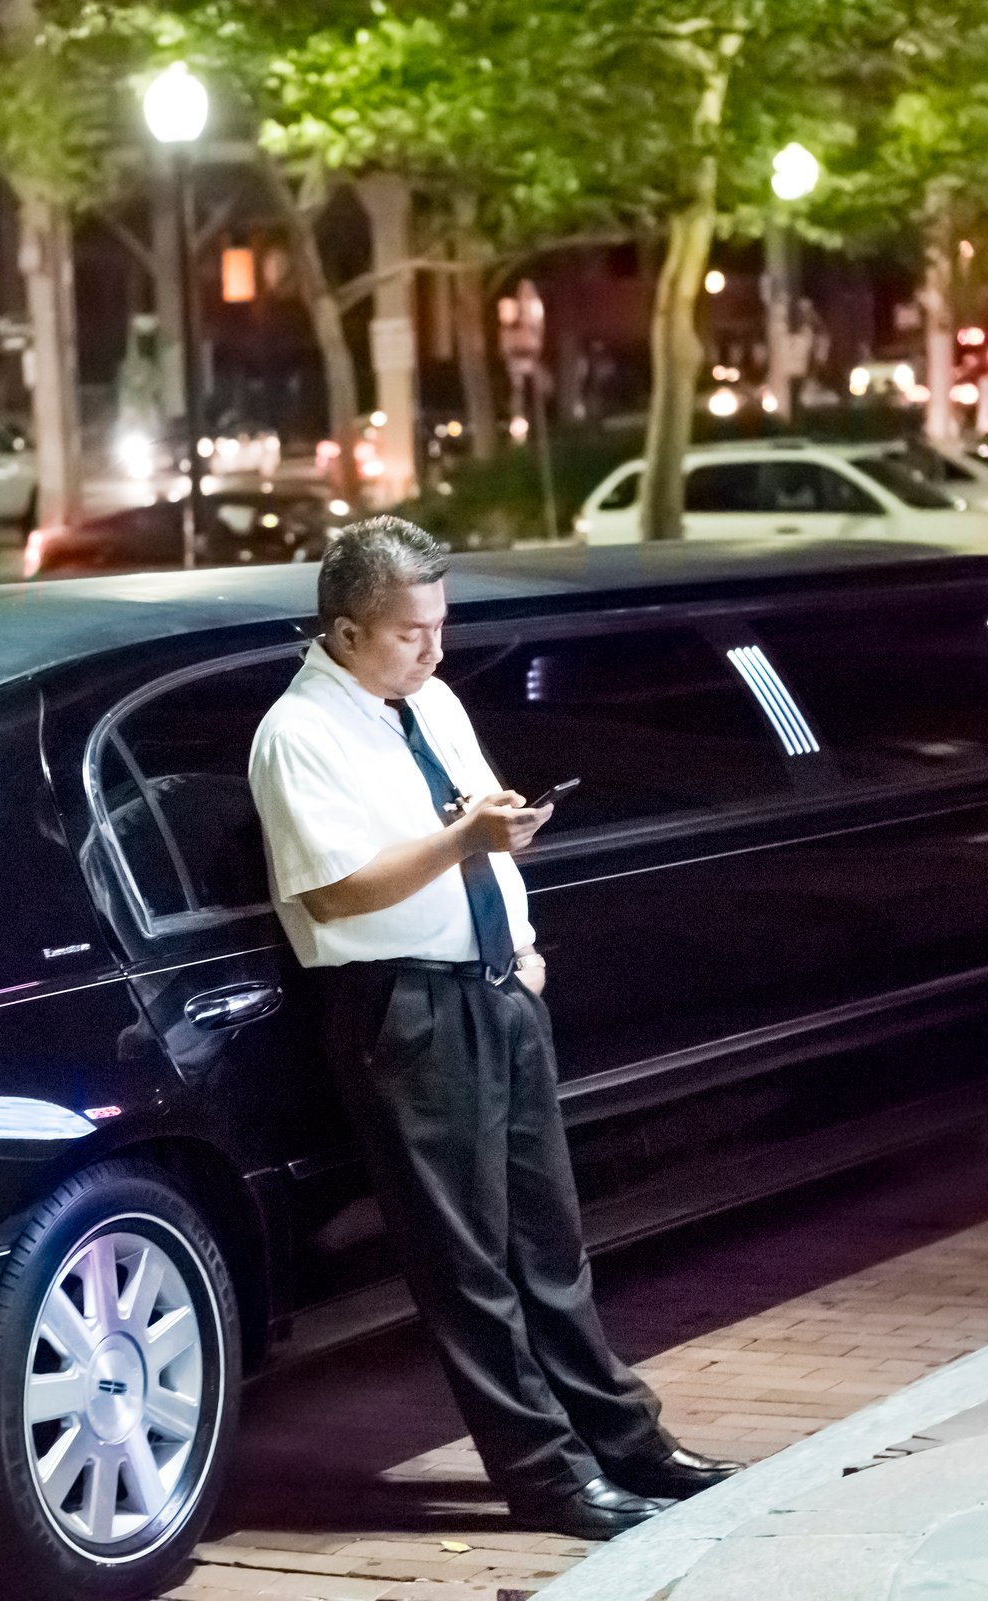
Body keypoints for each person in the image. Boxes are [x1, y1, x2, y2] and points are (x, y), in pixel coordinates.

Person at [246, 518, 742, 1541]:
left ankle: (623, 1437)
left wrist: (519, 936)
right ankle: (547, 1473)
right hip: (406, 1004)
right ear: (342, 630)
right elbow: (337, 892)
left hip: (496, 986)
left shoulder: (428, 702)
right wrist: (464, 837)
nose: (432, 651)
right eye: (407, 633)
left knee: (547, 1241)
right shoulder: (298, 733)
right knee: (468, 1261)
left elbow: (474, 832)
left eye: (439, 626)